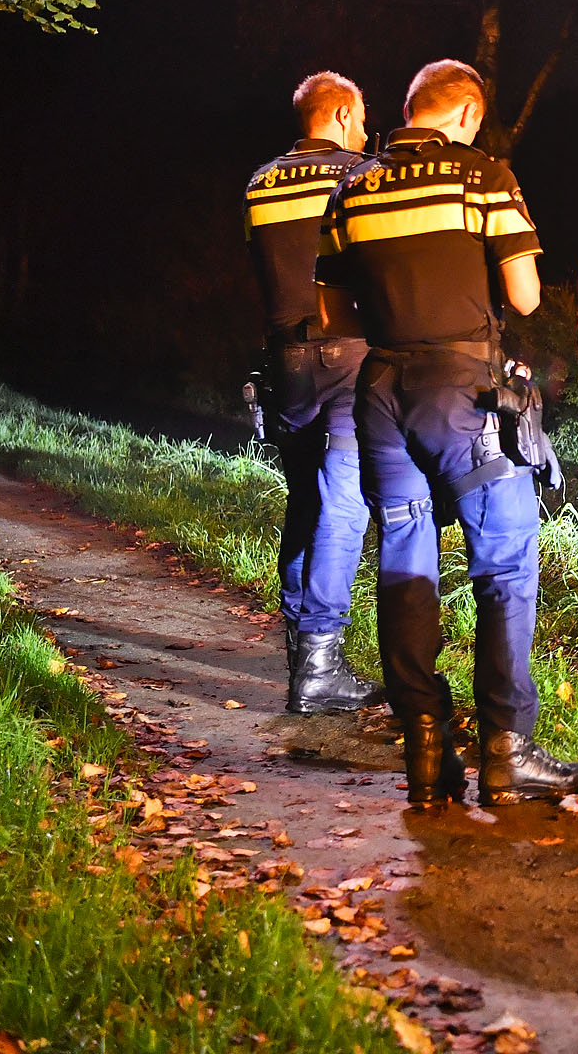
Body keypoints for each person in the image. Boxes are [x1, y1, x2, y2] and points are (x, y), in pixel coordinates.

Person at [318, 59, 578, 806]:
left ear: (409, 110)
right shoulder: (482, 177)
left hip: (379, 395)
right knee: (504, 562)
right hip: (463, 393)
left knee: (405, 557)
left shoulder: (353, 187)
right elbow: (528, 299)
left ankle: (426, 744)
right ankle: (508, 751)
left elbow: (336, 314)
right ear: (467, 113)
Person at [244, 71, 383, 714]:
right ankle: (322, 658)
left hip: (285, 360)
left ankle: (301, 655)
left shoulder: (259, 182)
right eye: (360, 117)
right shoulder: (361, 175)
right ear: (341, 112)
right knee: (346, 500)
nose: (364, 128)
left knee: (305, 495)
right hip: (349, 350)